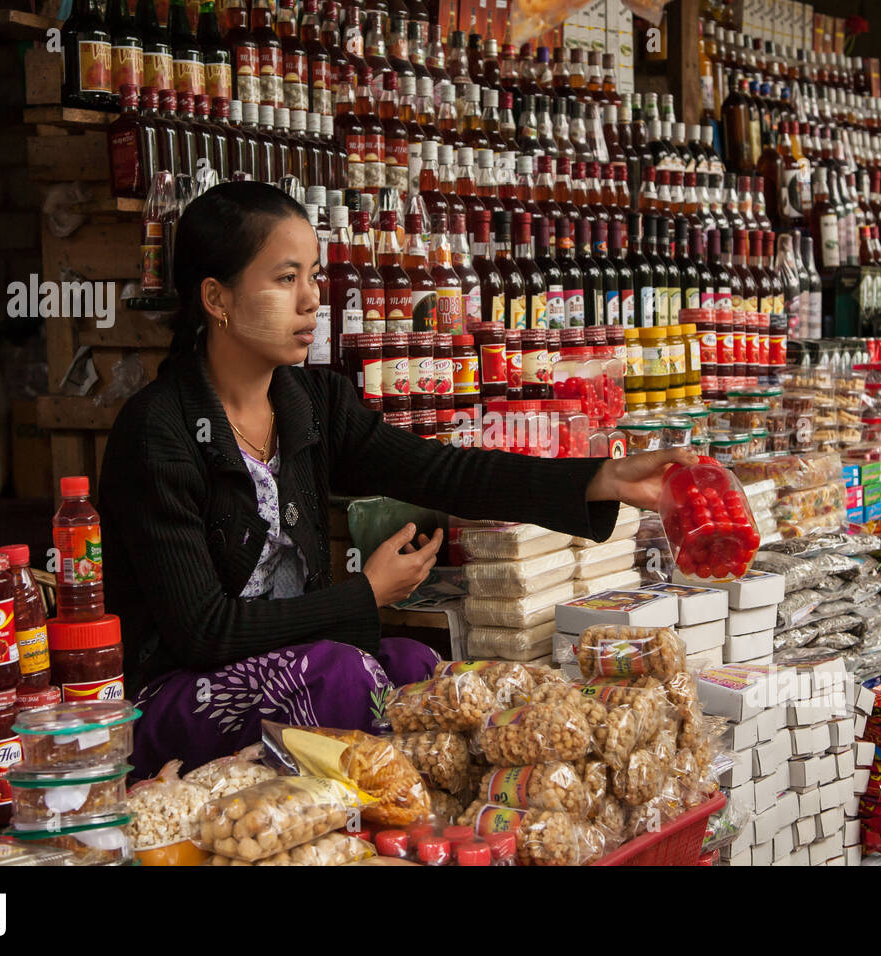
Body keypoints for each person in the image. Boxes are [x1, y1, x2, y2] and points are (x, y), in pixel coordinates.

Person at [99, 181, 694, 777]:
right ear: (216, 297)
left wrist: (605, 478)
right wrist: (365, 596)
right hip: (179, 696)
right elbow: (203, 631)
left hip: (302, 663)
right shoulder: (158, 431)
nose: (311, 301)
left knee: (418, 666)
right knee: (343, 675)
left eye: (313, 276)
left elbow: (442, 470)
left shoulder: (310, 403)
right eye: (286, 280)